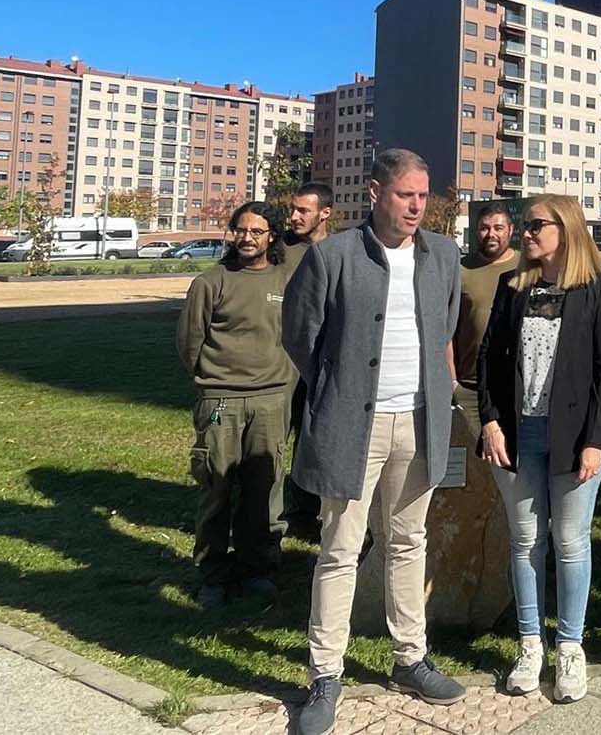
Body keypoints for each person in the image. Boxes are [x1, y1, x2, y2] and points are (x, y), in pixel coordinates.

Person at [283, 149, 466, 735]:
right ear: (374, 193)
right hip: (353, 426)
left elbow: (445, 329)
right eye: (405, 194)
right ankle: (325, 675)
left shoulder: (443, 255)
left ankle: (410, 657)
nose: (417, 206)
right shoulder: (331, 256)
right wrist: (338, 388)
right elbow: (301, 337)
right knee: (339, 548)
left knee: (408, 541)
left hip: (419, 421)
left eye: (423, 195)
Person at [477, 194, 601, 704]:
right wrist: (490, 422)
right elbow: (488, 361)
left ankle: (571, 648)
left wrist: (597, 440)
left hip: (575, 439)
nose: (526, 233)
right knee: (525, 542)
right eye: (525, 225)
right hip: (517, 436)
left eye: (536, 225)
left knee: (571, 544)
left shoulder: (594, 288)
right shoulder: (511, 286)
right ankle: (531, 644)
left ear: (566, 229)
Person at [177, 201, 291, 611]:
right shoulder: (211, 282)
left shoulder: (287, 279)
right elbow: (190, 343)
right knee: (217, 489)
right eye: (240, 230)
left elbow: (298, 334)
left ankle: (257, 568)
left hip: (271, 399)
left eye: (256, 231)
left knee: (264, 488)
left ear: (271, 236)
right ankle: (212, 574)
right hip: (221, 399)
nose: (247, 238)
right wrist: (212, 382)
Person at [282, 181, 334, 539]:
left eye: (303, 210)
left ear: (325, 213)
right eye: (293, 209)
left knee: (316, 439)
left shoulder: (341, 250)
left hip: (325, 365)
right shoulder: (281, 250)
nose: (294, 216)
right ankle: (287, 512)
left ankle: (313, 510)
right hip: (284, 364)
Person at [453, 202, 518, 390]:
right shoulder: (460, 269)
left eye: (498, 228)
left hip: (514, 384)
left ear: (510, 230)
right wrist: (452, 383)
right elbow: (446, 333)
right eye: (484, 228)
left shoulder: (527, 267)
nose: (491, 234)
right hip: (470, 384)